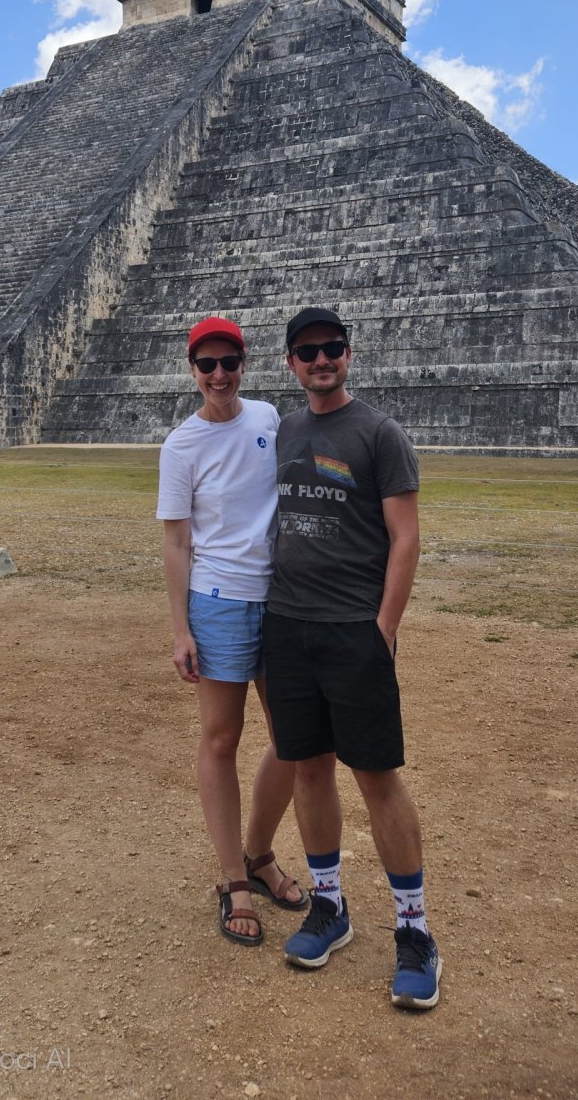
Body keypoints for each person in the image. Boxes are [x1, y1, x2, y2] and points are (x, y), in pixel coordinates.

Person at [262, 305, 441, 1010]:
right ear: (291, 363)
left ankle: (415, 931)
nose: (321, 360)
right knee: (308, 768)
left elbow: (406, 536)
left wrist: (384, 627)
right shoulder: (284, 431)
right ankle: (329, 905)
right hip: (288, 624)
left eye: (332, 348)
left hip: (351, 629)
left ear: (349, 354)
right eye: (308, 352)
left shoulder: (379, 433)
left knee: (376, 776)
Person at [157, 315, 308, 947]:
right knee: (221, 739)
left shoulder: (269, 418)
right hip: (218, 602)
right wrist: (180, 630)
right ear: (193, 371)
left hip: (281, 598)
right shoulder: (181, 445)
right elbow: (176, 542)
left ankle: (259, 852)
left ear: (245, 364)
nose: (219, 375)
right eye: (207, 365)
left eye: (229, 363)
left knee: (292, 740)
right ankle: (233, 878)